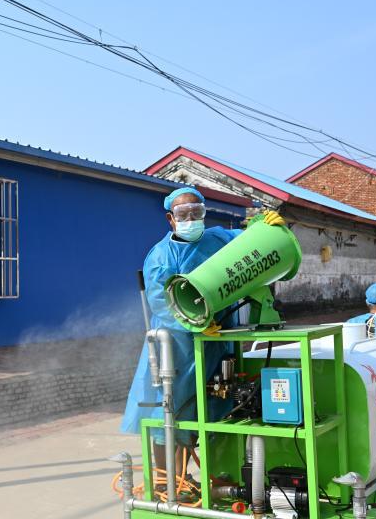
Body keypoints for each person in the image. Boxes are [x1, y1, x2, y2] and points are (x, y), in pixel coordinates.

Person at [121, 188, 284, 472]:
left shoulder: (217, 239)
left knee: (211, 408)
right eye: (183, 214)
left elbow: (251, 243)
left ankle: (203, 479)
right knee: (170, 413)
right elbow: (161, 303)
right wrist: (193, 323)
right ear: (170, 219)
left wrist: (265, 224)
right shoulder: (162, 257)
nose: (191, 219)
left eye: (197, 212)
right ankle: (169, 483)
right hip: (177, 348)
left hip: (217, 342)